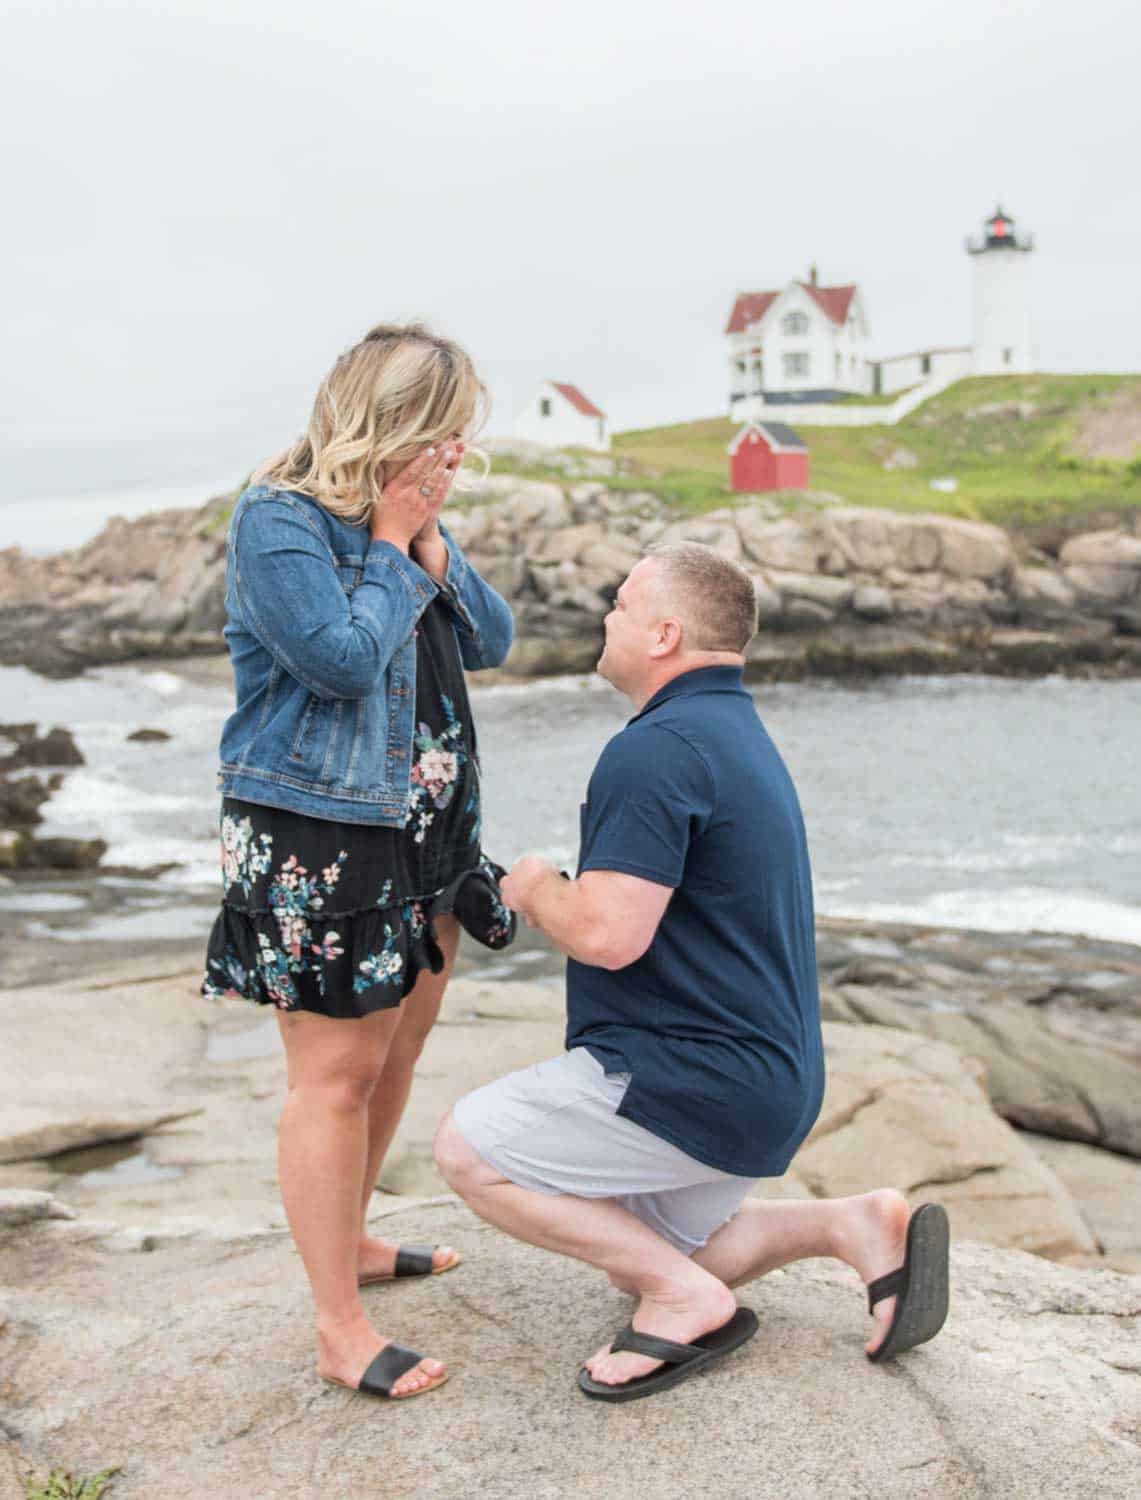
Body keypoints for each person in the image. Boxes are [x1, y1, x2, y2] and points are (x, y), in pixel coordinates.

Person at [434, 542, 949, 1401]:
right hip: (769, 1081)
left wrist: (534, 886)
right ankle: (849, 1223)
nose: (607, 615)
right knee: (646, 1254)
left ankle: (684, 1302)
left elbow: (606, 935)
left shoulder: (656, 748)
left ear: (665, 634)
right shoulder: (732, 733)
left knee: (470, 1149)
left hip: (692, 1078)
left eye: (623, 604)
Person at [201, 322, 517, 1403]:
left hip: (425, 837)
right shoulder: (279, 517)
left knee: (394, 1060)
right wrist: (390, 543)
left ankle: (358, 1242)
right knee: (333, 1080)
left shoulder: (409, 523)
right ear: (396, 425)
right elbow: (337, 663)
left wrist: (431, 550)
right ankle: (338, 1325)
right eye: (448, 432)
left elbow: (491, 642)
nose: (458, 455)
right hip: (320, 832)